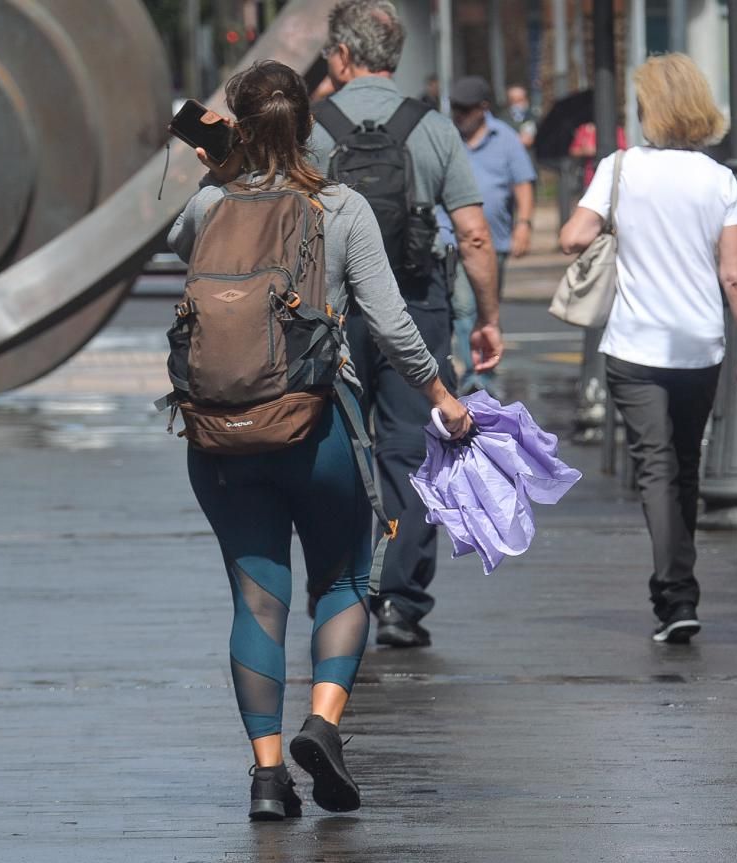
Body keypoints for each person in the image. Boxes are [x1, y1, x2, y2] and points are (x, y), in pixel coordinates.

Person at [167, 60, 472, 819]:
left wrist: (223, 169)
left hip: (222, 435)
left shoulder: (207, 207)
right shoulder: (341, 206)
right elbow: (393, 323)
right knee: (342, 583)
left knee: (255, 598)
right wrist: (440, 395)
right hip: (320, 425)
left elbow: (183, 250)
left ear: (236, 127)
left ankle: (267, 776)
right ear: (307, 125)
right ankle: (324, 724)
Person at [309, 0, 504, 649]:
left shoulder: (313, 128)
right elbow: (474, 235)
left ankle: (339, 590)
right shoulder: (435, 128)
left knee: (330, 447)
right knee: (411, 450)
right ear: (392, 58)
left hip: (333, 308)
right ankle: (401, 601)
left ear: (341, 56)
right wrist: (488, 317)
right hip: (415, 303)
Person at [559, 53, 737, 644]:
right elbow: (734, 275)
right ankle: (678, 593)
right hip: (700, 345)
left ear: (650, 107)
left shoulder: (619, 168)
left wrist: (617, 226)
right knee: (685, 465)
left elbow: (574, 236)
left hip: (634, 345)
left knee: (655, 466)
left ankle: (675, 596)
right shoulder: (718, 178)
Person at [439, 76, 536, 395]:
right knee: (465, 307)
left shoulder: (505, 138)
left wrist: (523, 224)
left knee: (487, 308)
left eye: (465, 109)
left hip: (494, 242)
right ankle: (474, 375)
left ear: (483, 108)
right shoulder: (446, 136)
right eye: (455, 108)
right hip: (453, 240)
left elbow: (522, 184)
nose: (459, 115)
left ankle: (484, 370)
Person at [570, 120, 627, 190]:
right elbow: (573, 150)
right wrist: (585, 151)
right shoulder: (584, 129)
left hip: (614, 179)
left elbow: (623, 151)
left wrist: (601, 150)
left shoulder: (617, 130)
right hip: (590, 179)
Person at [499, 84, 538, 150]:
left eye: (520, 100)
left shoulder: (534, 118)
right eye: (513, 101)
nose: (517, 104)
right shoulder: (501, 121)